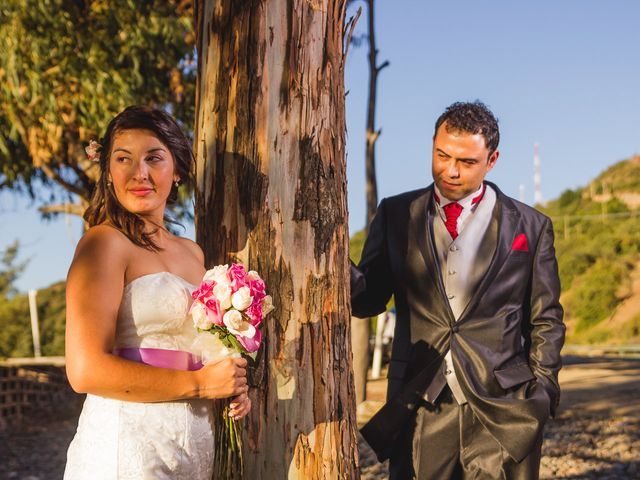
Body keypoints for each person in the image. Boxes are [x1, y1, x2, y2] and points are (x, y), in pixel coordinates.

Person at [351, 101, 565, 479]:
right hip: (420, 403)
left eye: (466, 162)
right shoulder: (396, 214)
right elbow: (368, 300)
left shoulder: (531, 226)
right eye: (441, 155)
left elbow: (546, 318)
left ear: (492, 159)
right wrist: (332, 259)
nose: (450, 170)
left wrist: (542, 394)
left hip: (503, 407)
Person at [64, 106, 250, 479]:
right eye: (124, 159)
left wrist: (229, 382)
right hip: (126, 442)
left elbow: (197, 346)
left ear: (177, 170)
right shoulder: (103, 243)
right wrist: (199, 385)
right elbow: (84, 370)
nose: (139, 173)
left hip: (193, 442)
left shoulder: (193, 253)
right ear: (109, 172)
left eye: (154, 158)